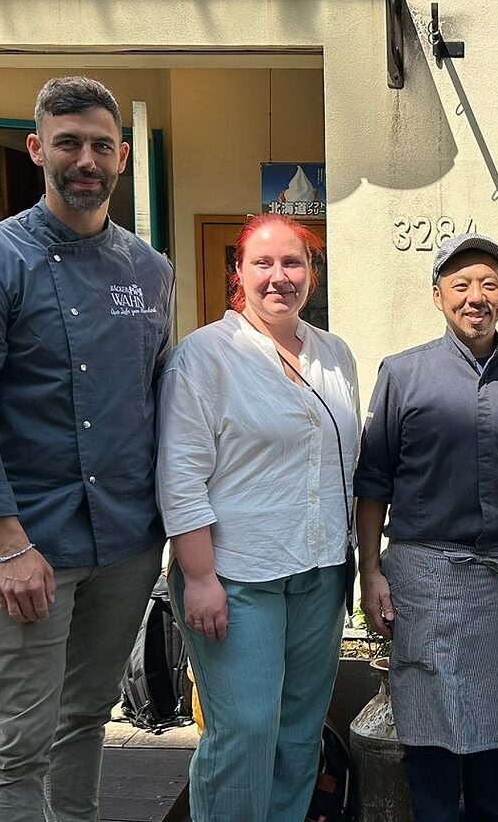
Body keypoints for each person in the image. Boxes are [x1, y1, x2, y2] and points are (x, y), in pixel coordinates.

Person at [0, 76, 174, 822]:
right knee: (15, 744)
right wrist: (5, 542)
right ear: (38, 149)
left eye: (101, 144)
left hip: (126, 545)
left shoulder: (149, 270)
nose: (85, 159)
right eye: (68, 143)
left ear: (122, 157)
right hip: (29, 547)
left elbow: (154, 402)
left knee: (85, 718)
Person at [354, 233, 498, 822]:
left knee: (495, 725)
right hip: (420, 573)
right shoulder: (402, 373)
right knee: (426, 727)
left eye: (489, 284)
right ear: (439, 294)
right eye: (462, 284)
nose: (476, 297)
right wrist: (371, 571)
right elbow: (372, 484)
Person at [156, 213, 359, 821]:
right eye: (263, 264)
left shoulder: (334, 354)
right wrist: (198, 578)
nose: (280, 277)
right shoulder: (204, 356)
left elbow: (343, 459)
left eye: (293, 263)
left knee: (300, 735)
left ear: (312, 274)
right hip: (235, 577)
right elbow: (179, 476)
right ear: (238, 273)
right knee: (244, 732)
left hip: (321, 573)